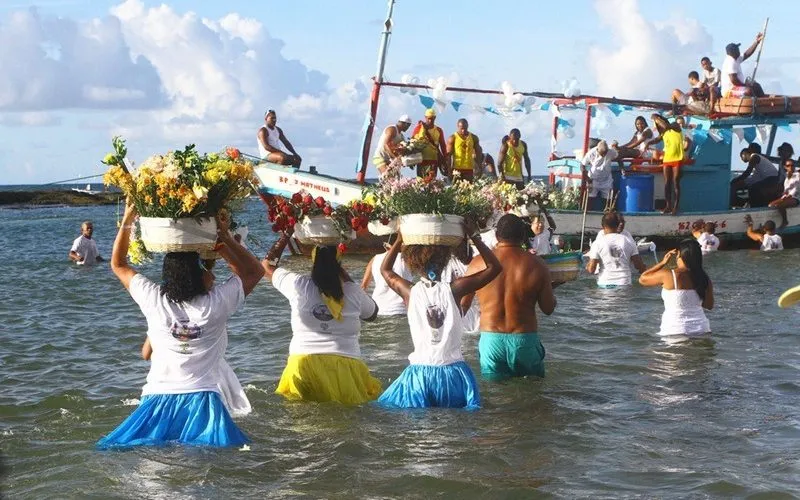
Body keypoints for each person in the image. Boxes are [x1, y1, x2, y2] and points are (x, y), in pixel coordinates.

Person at [97, 206, 265, 449]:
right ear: (199, 274)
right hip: (204, 404)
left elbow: (118, 264)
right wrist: (225, 238)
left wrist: (127, 220)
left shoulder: (155, 299)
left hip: (156, 400)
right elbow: (255, 271)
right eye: (206, 268)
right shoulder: (215, 305)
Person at [377, 223, 502, 408]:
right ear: (445, 261)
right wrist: (474, 235)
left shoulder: (410, 292)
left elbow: (385, 271)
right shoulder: (455, 289)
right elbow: (494, 268)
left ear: (413, 262)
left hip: (419, 376)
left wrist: (399, 240)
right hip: (453, 374)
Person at [263, 231, 382, 404]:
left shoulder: (299, 285)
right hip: (345, 370)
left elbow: (266, 265)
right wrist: (345, 277)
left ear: (313, 262)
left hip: (303, 365)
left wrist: (286, 234)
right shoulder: (353, 292)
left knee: (304, 426)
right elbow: (372, 314)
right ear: (338, 264)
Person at [462, 214, 556, 380]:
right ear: (524, 236)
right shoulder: (537, 264)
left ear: (497, 235)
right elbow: (548, 309)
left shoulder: (477, 263)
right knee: (532, 394)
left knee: (495, 397)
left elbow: (463, 306)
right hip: (524, 339)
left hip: (491, 340)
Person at [638, 240, 713, 338]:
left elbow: (642, 279)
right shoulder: (704, 277)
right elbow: (708, 306)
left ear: (679, 255)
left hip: (676, 330)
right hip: (702, 329)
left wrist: (662, 263)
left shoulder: (669, 274)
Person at [586, 211, 646, 288]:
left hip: (604, 285)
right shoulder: (629, 241)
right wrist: (644, 269)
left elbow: (591, 270)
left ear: (602, 226)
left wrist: (587, 265)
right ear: (618, 225)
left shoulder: (597, 243)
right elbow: (638, 265)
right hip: (624, 284)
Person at [361, 242, 413, 316]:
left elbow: (363, 287)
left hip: (378, 309)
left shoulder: (375, 259)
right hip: (400, 310)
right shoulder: (407, 259)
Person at [647, 115, 684, 214]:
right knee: (667, 183)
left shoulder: (675, 126)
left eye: (658, 123)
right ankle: (668, 206)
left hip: (677, 159)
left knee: (675, 182)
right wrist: (648, 143)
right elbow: (657, 139)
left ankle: (676, 207)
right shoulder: (664, 133)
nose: (657, 125)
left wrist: (656, 118)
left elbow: (666, 125)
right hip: (667, 159)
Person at [721, 34, 765, 98]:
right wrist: (744, 85)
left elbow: (746, 54)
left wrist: (756, 42)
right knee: (748, 90)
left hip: (736, 87)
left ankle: (763, 103)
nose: (739, 50)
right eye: (737, 49)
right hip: (729, 90)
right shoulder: (730, 62)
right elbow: (734, 80)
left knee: (756, 86)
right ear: (734, 51)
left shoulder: (736, 58)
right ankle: (754, 105)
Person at [580, 140, 619, 211]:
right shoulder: (591, 153)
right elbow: (582, 165)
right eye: (602, 154)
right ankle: (587, 213)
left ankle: (607, 214)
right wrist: (587, 178)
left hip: (606, 179)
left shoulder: (611, 152)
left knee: (608, 200)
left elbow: (618, 157)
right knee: (590, 199)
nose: (603, 155)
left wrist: (622, 168)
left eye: (605, 153)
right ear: (597, 150)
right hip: (593, 179)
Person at [411, 108, 447, 179]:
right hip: (421, 160)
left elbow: (443, 146)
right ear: (425, 117)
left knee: (431, 182)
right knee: (420, 182)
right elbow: (413, 142)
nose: (430, 120)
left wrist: (445, 159)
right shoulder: (418, 128)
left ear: (435, 118)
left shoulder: (439, 130)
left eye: (432, 119)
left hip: (433, 160)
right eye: (428, 118)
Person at [769, 156, 800, 228]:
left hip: (796, 198)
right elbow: (786, 191)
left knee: (780, 205)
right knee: (770, 205)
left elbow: (795, 190)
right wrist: (782, 197)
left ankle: (785, 221)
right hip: (787, 197)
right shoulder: (787, 178)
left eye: (792, 165)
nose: (791, 167)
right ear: (785, 167)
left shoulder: (798, 176)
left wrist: (783, 199)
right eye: (788, 166)